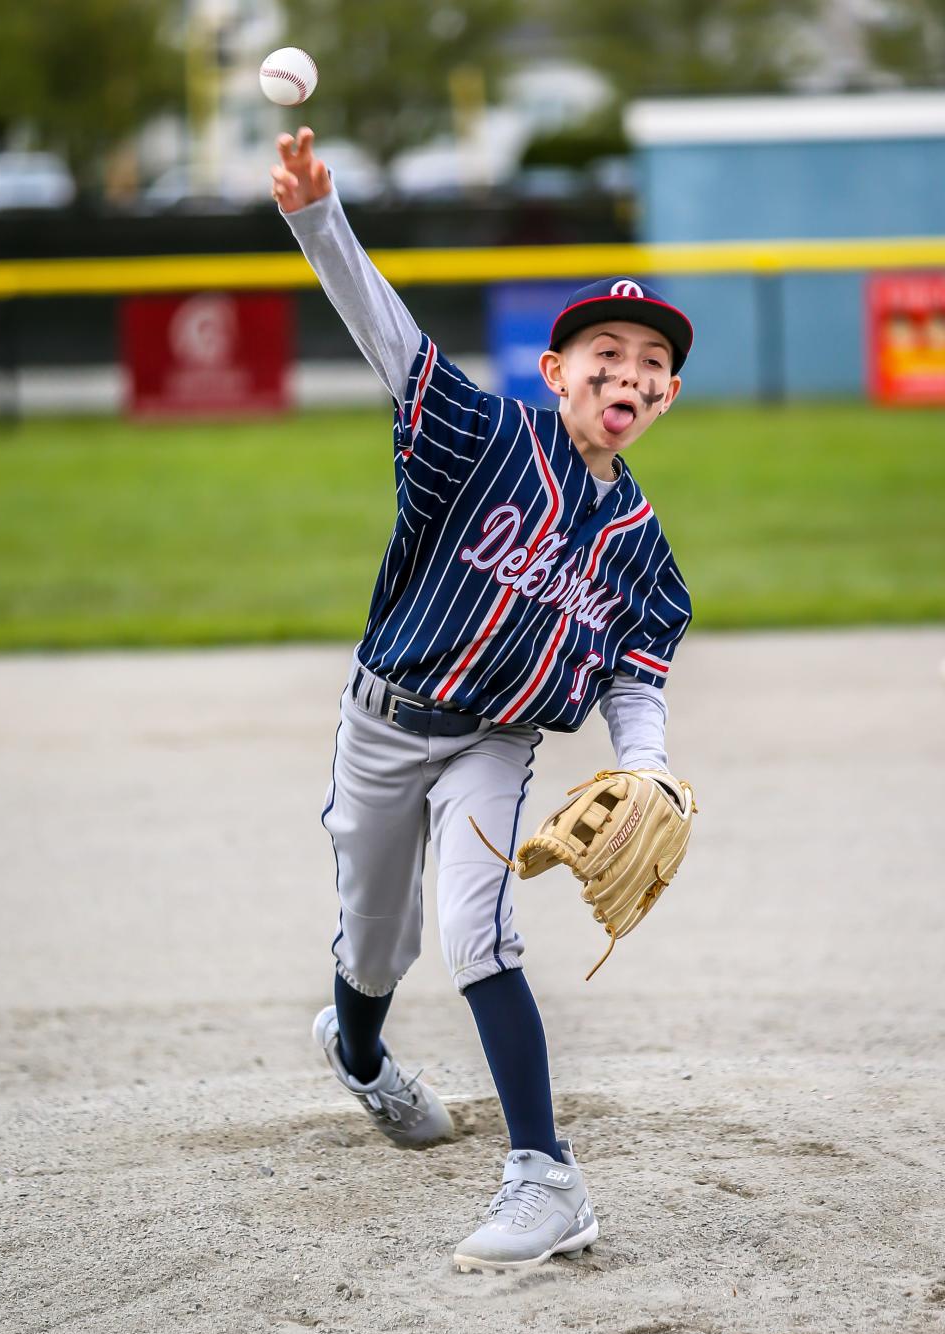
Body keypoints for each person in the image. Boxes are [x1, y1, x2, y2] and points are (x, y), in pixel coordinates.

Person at [270, 127, 693, 1273]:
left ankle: (545, 1179)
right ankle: (360, 1055)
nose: (628, 371)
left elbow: (637, 658)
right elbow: (391, 339)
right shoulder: (481, 435)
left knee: (476, 932)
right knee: (377, 941)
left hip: (493, 745)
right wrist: (318, 216)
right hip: (381, 718)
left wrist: (643, 760)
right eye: (603, 350)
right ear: (555, 373)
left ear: (666, 395)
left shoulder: (640, 543)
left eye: (652, 361)